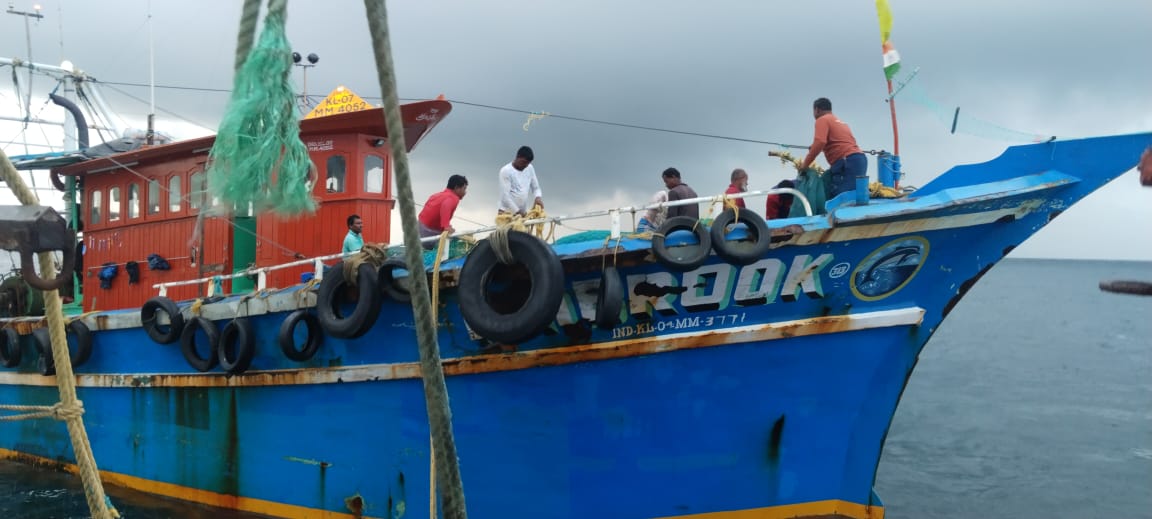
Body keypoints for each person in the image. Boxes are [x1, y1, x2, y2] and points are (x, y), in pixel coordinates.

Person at [798, 97, 867, 199]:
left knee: (841, 199)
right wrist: (815, 146)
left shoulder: (822, 120)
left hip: (846, 162)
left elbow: (820, 142)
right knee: (854, 197)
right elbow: (836, 142)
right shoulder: (840, 122)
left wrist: (804, 165)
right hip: (859, 160)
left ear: (817, 110)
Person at [418, 174, 469, 250]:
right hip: (427, 234)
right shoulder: (453, 198)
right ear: (457, 188)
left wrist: (446, 227)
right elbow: (446, 205)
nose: (465, 192)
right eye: (464, 189)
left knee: (451, 234)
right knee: (456, 242)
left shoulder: (436, 195)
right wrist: (446, 226)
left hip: (418, 229)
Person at [497, 146, 543, 217]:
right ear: (518, 157)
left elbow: (536, 188)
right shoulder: (506, 171)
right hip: (506, 214)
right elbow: (505, 197)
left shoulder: (530, 168)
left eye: (528, 163)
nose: (525, 165)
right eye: (523, 162)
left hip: (522, 213)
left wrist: (538, 197)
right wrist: (518, 212)